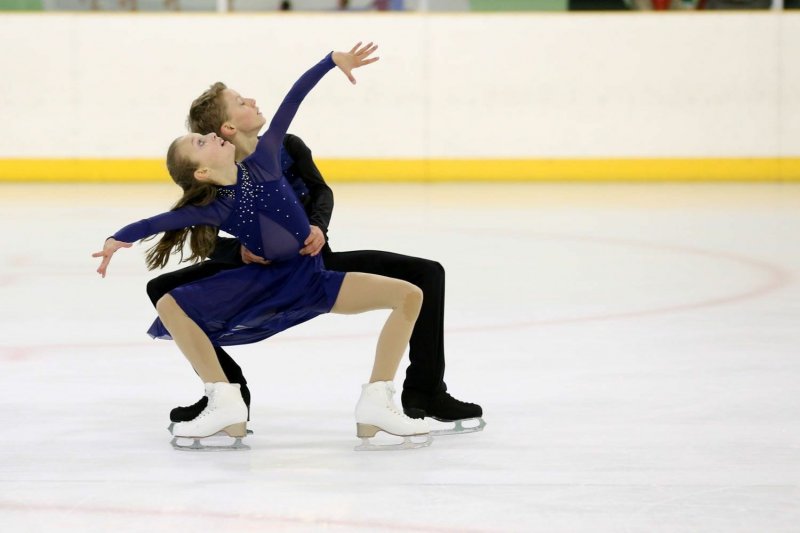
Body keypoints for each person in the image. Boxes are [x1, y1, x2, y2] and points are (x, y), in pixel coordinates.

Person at [94, 43, 431, 450]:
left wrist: (329, 62)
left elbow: (294, 96)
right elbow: (158, 222)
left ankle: (377, 403)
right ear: (202, 171)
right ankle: (224, 399)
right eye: (200, 142)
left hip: (311, 278)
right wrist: (118, 239)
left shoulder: (268, 155)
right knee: (168, 302)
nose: (209, 138)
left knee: (409, 295)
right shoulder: (216, 210)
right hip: (265, 282)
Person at [155, 80, 484, 437]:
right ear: (225, 128)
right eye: (239, 101)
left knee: (426, 274)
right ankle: (227, 393)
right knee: (162, 290)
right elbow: (202, 234)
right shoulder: (214, 167)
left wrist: (318, 227)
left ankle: (425, 391)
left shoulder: (287, 147)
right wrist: (239, 251)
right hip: (258, 269)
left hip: (315, 260)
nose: (251, 98)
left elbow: (320, 191)